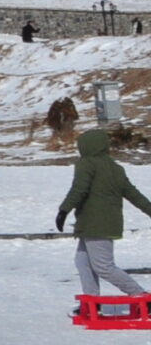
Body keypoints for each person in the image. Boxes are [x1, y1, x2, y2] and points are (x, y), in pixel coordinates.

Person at [57, 128, 151, 301]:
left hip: (96, 224)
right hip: (99, 224)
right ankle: (92, 300)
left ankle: (140, 295)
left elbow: (79, 189)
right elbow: (134, 195)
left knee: (103, 266)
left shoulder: (87, 163)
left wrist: (64, 210)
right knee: (83, 262)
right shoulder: (116, 168)